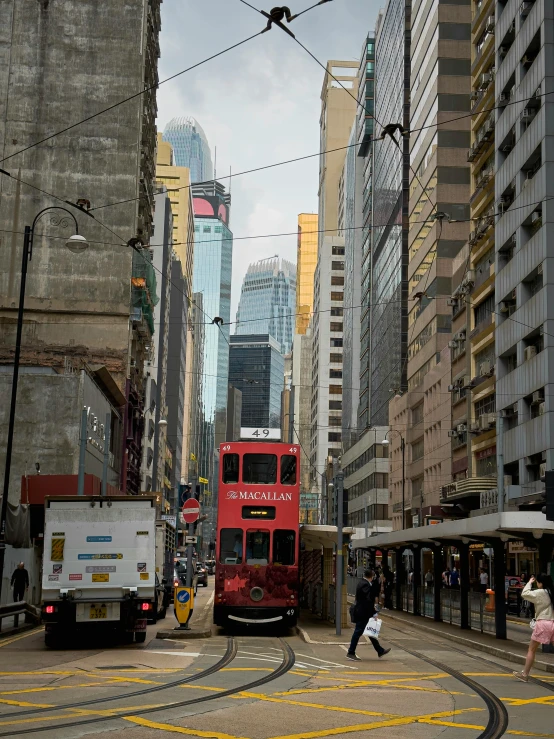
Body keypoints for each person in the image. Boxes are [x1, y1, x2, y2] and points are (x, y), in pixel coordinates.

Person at [513, 573, 554, 682]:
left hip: (543, 623)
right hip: (553, 622)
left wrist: (529, 582)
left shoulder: (540, 593)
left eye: (537, 582)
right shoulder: (552, 592)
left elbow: (525, 593)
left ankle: (525, 675)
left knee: (532, 649)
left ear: (540, 583)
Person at [347, 569, 391, 662]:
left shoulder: (363, 583)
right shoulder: (365, 585)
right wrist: (374, 612)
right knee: (358, 632)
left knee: (370, 632)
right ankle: (351, 652)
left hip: (364, 612)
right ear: (371, 576)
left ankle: (380, 650)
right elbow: (368, 600)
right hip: (363, 612)